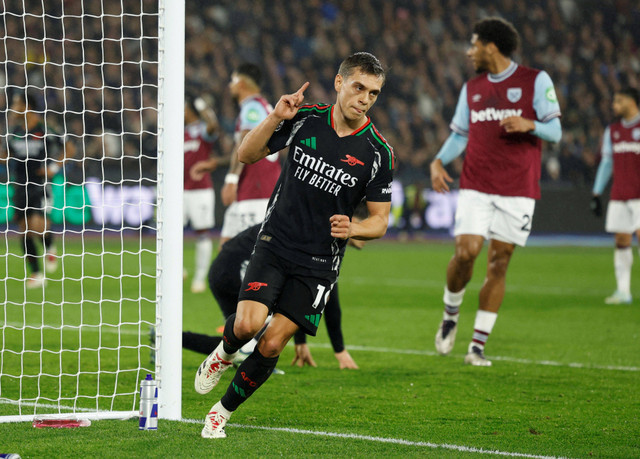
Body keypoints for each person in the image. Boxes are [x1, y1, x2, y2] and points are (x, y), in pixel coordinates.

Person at [193, 52, 394, 439]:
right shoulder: (305, 119)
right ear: (339, 83)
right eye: (358, 87)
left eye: (373, 92)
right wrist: (274, 117)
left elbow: (380, 220)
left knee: (271, 344)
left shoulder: (378, 153)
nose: (365, 98)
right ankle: (223, 352)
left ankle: (220, 413)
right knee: (248, 324)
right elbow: (246, 155)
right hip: (276, 241)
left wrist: (354, 229)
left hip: (319, 263)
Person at [429, 18, 562, 366]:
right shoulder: (472, 88)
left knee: (499, 263)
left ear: (491, 46)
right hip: (477, 183)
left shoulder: (535, 80)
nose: (469, 52)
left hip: (518, 188)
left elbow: (556, 130)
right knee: (466, 251)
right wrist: (438, 162)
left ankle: (476, 347)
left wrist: (531, 123)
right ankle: (451, 313)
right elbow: (460, 134)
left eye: (474, 45)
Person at [182, 223, 360, 369]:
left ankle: (171, 337)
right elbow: (322, 297)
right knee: (253, 332)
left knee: (239, 341)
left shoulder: (308, 226)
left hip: (221, 269)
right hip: (235, 270)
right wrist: (340, 350)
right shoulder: (320, 237)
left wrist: (301, 342)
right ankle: (252, 362)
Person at [191, 63, 280, 247]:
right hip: (252, 189)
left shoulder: (253, 108)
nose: (230, 85)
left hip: (256, 191)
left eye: (233, 80)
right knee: (226, 254)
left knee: (243, 258)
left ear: (241, 83)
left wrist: (231, 179)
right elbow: (247, 150)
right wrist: (217, 163)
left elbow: (244, 143)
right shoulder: (261, 106)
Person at [0, 92, 75, 288]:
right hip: (20, 186)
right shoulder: (15, 132)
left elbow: (69, 148)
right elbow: (6, 156)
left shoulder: (45, 130)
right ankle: (36, 274)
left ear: (27, 107)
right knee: (24, 231)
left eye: (17, 104)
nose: (13, 108)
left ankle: (49, 245)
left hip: (41, 185)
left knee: (36, 227)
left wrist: (53, 168)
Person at [591, 87, 640, 305]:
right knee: (621, 240)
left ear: (632, 102)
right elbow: (607, 162)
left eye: (618, 101)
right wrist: (596, 192)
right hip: (620, 194)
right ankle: (623, 292)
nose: (614, 105)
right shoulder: (613, 130)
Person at [182, 94, 220, 293]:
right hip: (179, 190)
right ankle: (177, 269)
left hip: (200, 190)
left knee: (202, 233)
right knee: (171, 231)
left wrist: (204, 106)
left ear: (189, 108)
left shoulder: (201, 129)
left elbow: (213, 127)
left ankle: (199, 278)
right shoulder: (179, 131)